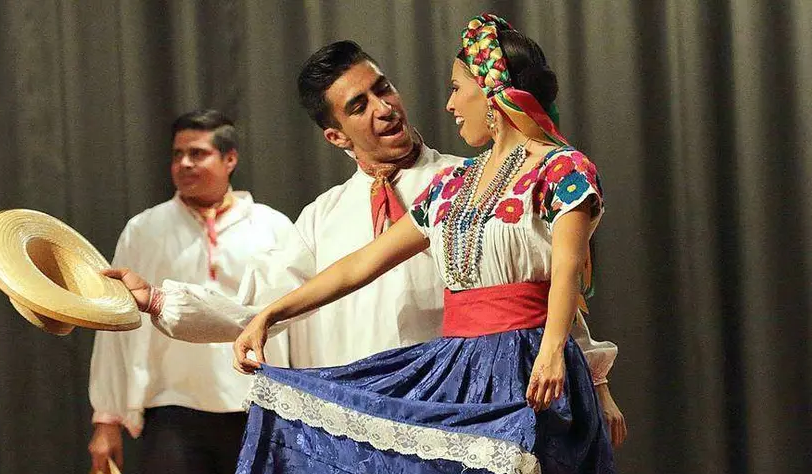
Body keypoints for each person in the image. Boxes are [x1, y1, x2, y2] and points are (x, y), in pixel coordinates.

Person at [224, 14, 624, 474]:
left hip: (525, 370)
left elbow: (567, 275)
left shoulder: (561, 169)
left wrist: (565, 358)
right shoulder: (451, 186)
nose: (449, 104)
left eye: (458, 89)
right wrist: (268, 315)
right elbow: (359, 265)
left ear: (494, 93)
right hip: (457, 373)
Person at [103, 40, 625, 443]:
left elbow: (538, 286)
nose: (383, 108)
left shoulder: (471, 181)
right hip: (367, 428)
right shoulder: (322, 219)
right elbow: (257, 309)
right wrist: (157, 300)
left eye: (383, 88)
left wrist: (595, 384)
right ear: (336, 135)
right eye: (359, 105)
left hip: (469, 408)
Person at [87, 109, 292, 474]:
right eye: (177, 154)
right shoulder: (145, 229)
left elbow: (295, 319)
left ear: (230, 159)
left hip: (253, 410)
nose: (184, 163)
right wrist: (107, 419)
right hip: (173, 410)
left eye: (197, 153)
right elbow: (115, 323)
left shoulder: (272, 227)